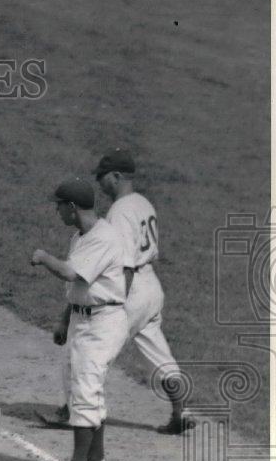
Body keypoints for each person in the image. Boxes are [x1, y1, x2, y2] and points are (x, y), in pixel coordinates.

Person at [43, 151, 191, 435]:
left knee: (83, 348)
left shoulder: (120, 212)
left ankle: (72, 411)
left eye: (103, 177)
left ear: (117, 176)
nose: (99, 183)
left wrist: (116, 303)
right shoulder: (144, 203)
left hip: (129, 289)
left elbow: (122, 263)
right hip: (152, 288)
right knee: (158, 354)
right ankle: (180, 410)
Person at [31, 178, 128, 461]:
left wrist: (44, 257)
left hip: (103, 322)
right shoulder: (81, 236)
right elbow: (79, 284)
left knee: (85, 388)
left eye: (59, 206)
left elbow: (70, 272)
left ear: (72, 208)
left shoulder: (103, 238)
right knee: (78, 389)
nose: (56, 211)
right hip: (82, 318)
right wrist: (64, 319)